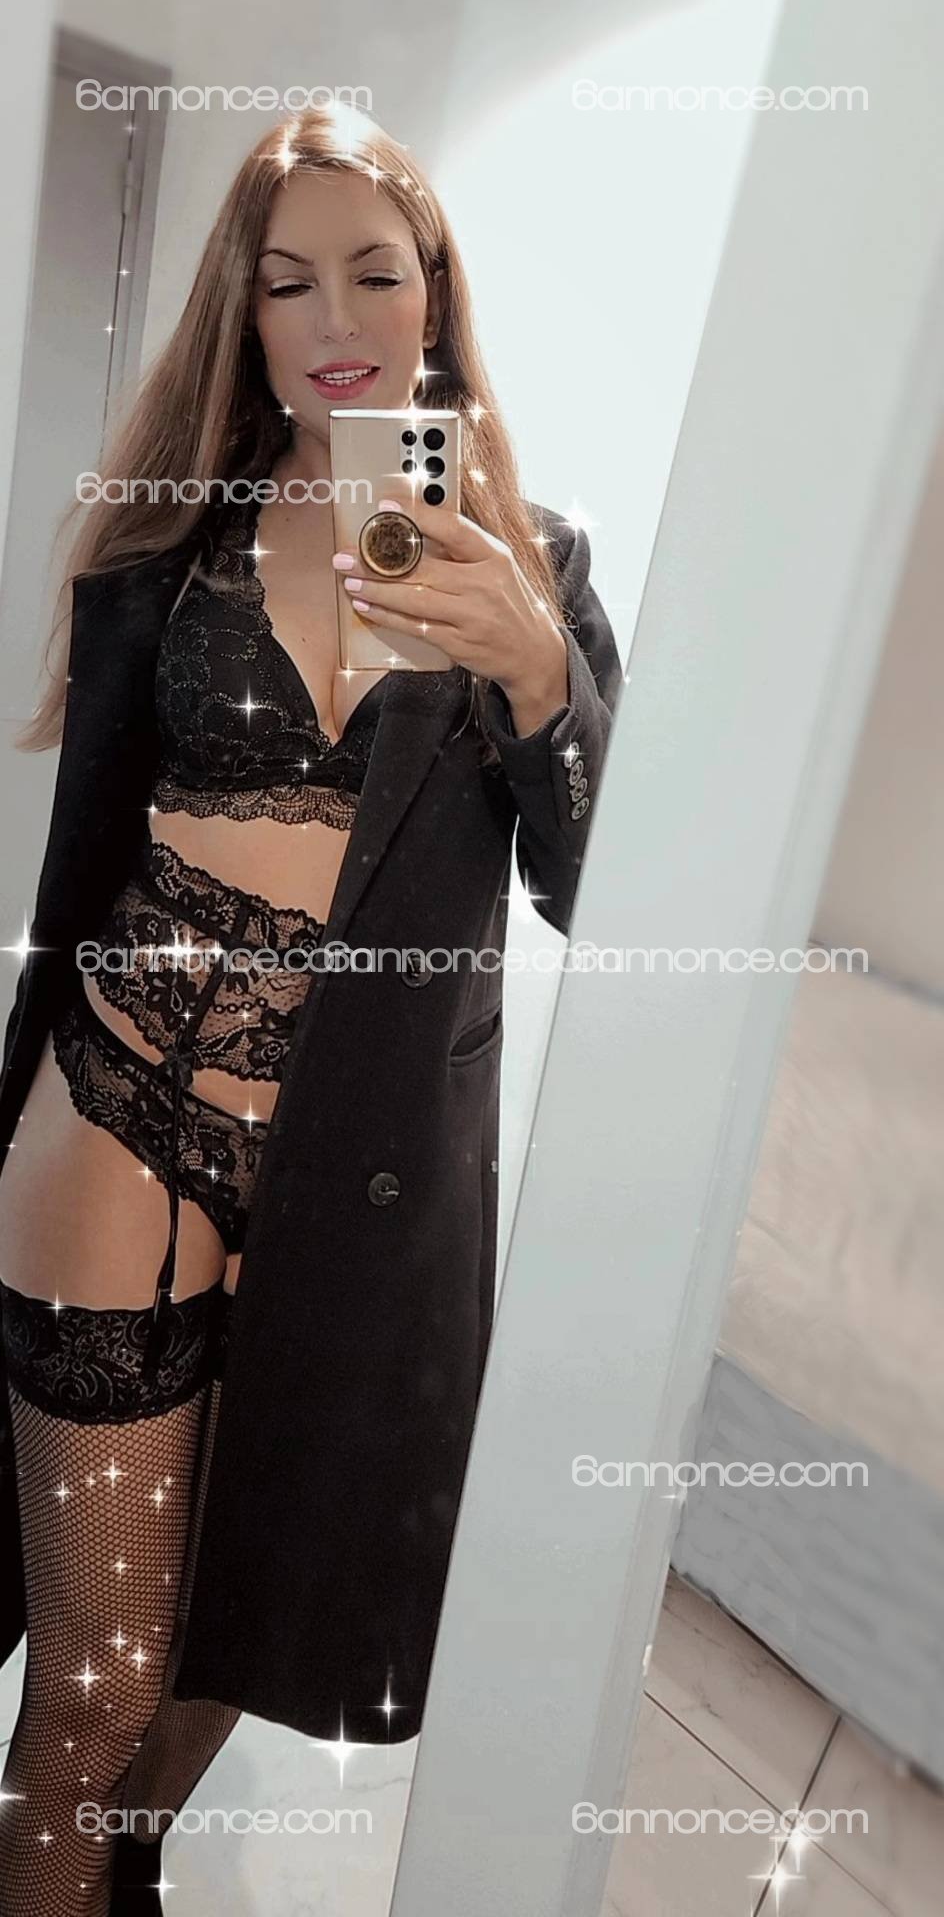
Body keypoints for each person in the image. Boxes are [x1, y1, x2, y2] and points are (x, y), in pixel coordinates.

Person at [0, 104, 623, 1914]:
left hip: (361, 1177)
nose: (336, 317)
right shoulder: (170, 541)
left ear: (437, 295)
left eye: (375, 270)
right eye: (287, 282)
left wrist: (537, 679)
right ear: (245, 316)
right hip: (120, 1111)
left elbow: (599, 881)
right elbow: (87, 845)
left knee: (233, 1646)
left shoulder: (536, 569)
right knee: (93, 1699)